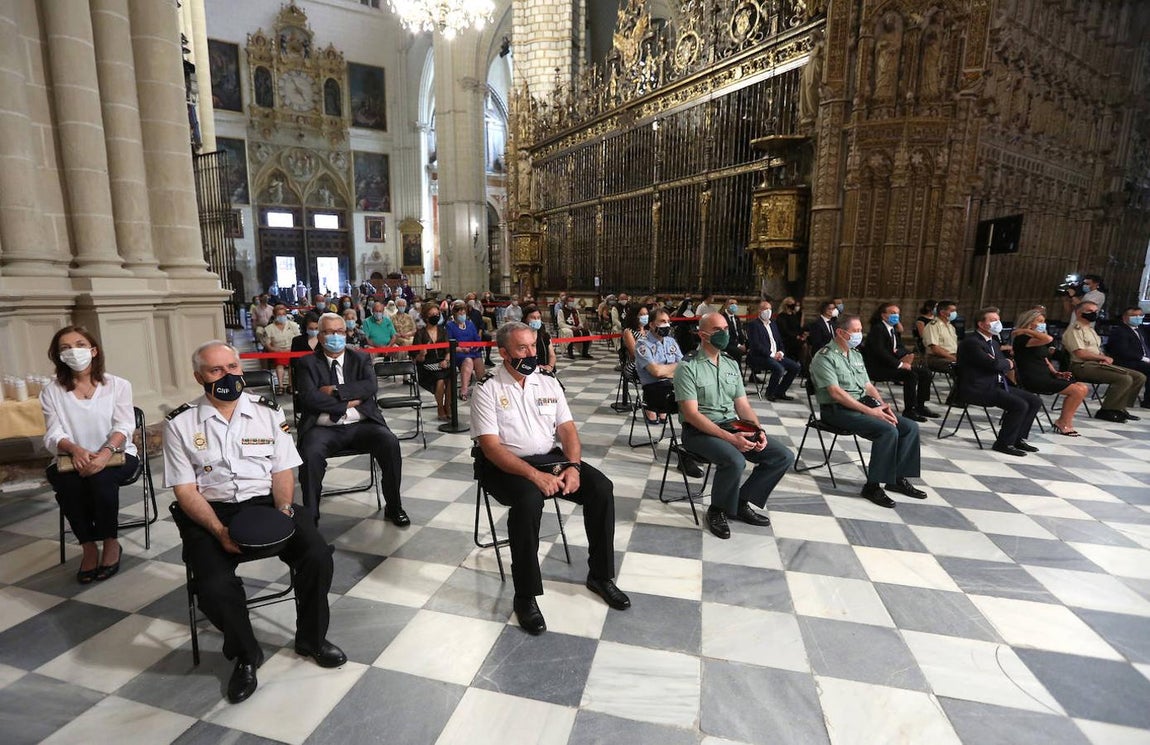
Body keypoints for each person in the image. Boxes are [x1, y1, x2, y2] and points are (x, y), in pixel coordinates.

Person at [164, 341, 345, 704]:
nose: (228, 376)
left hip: (267, 503)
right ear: (200, 376)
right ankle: (246, 654)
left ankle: (311, 638)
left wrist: (282, 509)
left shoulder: (268, 412)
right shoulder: (181, 424)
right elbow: (185, 491)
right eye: (217, 370)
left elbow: (282, 471)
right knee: (213, 588)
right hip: (211, 511)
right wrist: (218, 530)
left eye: (233, 367)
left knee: (317, 555)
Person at [471, 322, 630, 634]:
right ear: (503, 353)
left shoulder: (547, 382)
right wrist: (534, 477)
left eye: (534, 346)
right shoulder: (487, 388)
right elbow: (490, 448)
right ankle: (525, 595)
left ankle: (600, 575)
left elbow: (567, 429)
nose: (532, 353)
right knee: (529, 500)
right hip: (502, 465)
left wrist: (574, 466)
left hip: (549, 459)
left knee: (601, 488)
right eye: (522, 348)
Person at [673, 313, 793, 539]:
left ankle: (740, 502)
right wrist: (731, 439)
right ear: (703, 334)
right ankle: (717, 509)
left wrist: (758, 431)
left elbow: (743, 406)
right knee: (734, 459)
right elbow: (691, 414)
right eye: (717, 329)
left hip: (732, 425)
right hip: (699, 431)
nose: (724, 333)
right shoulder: (687, 367)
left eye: (726, 328)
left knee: (782, 456)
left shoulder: (730, 363)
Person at [41, 326, 138, 584]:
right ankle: (88, 547)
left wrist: (106, 452)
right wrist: (75, 450)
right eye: (65, 347)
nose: (74, 351)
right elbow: (53, 432)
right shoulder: (51, 391)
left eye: (80, 344)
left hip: (117, 454)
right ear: (59, 356)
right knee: (68, 485)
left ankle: (110, 543)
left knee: (101, 481)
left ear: (93, 351)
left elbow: (125, 425)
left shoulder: (118, 385)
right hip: (70, 457)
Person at [295, 313, 409, 526]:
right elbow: (309, 398)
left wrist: (335, 391)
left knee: (390, 443)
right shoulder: (306, 363)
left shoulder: (360, 357)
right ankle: (311, 518)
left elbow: (369, 387)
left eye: (339, 331)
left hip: (362, 425)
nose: (335, 336)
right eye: (329, 332)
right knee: (309, 456)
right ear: (320, 336)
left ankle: (394, 506)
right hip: (323, 429)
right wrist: (349, 401)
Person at [808, 315, 928, 508]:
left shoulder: (855, 354)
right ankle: (872, 486)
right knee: (887, 430)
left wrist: (883, 405)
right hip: (837, 411)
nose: (859, 334)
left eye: (859, 330)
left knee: (909, 427)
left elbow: (867, 386)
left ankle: (896, 478)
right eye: (855, 331)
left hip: (864, 405)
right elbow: (836, 393)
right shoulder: (824, 356)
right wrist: (871, 412)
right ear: (840, 332)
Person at [955, 307, 1043, 456]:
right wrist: (1004, 363)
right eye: (993, 320)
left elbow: (1005, 364)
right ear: (981, 324)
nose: (998, 323)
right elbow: (995, 365)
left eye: (998, 319)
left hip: (995, 384)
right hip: (977, 388)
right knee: (1019, 405)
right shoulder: (972, 343)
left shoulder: (993, 343)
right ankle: (1004, 443)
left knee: (1034, 400)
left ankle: (1017, 438)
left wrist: (1004, 363)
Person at [636, 309, 703, 477]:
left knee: (702, 397)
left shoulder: (671, 341)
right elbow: (656, 372)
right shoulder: (643, 345)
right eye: (662, 321)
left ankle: (697, 446)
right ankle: (686, 456)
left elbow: (685, 365)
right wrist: (673, 369)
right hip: (655, 391)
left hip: (674, 384)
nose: (666, 325)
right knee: (689, 405)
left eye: (668, 321)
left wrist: (669, 370)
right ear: (651, 324)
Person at [1063, 301, 1146, 422]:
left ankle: (1120, 408)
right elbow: (1080, 353)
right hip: (1081, 366)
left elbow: (1096, 350)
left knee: (1139, 377)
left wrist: (1103, 357)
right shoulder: (1075, 329)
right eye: (1090, 311)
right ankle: (1107, 410)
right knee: (1124, 378)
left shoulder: (1090, 329)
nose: (1094, 314)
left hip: (1095, 364)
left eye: (1096, 312)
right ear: (1078, 312)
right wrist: (1102, 358)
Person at [1012, 308, 1088, 436]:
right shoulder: (1023, 338)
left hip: (1045, 374)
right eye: (1039, 321)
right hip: (1032, 377)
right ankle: (1063, 423)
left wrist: (1056, 372)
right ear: (1030, 322)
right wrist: (1025, 330)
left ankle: (1065, 420)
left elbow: (1045, 359)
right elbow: (1048, 339)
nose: (1043, 324)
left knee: (1083, 387)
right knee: (1076, 391)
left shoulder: (1037, 339)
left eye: (1044, 321)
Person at [863, 303, 936, 422]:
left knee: (925, 373)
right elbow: (880, 352)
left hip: (892, 364)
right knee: (910, 375)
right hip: (878, 368)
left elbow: (899, 347)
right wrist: (900, 364)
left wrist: (906, 355)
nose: (896, 316)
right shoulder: (878, 329)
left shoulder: (892, 329)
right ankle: (909, 410)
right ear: (883, 315)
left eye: (897, 313)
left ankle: (920, 406)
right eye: (892, 313)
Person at [746, 298, 801, 401]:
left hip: (776, 355)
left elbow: (779, 341)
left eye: (770, 309)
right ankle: (770, 393)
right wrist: (772, 354)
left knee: (795, 367)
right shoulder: (754, 325)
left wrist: (780, 352)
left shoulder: (773, 324)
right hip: (760, 356)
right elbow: (756, 345)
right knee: (779, 369)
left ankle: (780, 391)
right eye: (765, 309)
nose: (768, 311)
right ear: (760, 311)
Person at [412, 304, 451, 420]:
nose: (435, 316)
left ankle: (448, 406)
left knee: (451, 377)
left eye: (437, 314)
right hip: (426, 365)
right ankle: (440, 407)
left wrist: (446, 360)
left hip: (443, 362)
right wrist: (422, 354)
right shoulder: (420, 333)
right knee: (440, 380)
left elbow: (449, 350)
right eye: (432, 315)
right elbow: (416, 358)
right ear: (426, 317)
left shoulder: (442, 331)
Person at [1105, 306, 1150, 408]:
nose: (1138, 318)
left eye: (1140, 315)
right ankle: (1148, 401)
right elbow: (1123, 351)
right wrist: (1144, 359)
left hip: (1141, 360)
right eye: (1134, 316)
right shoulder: (1119, 331)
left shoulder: (1141, 329)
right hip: (1126, 361)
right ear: (1125, 317)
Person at [447, 300, 486, 400]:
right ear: (454, 314)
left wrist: (477, 346)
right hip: (459, 353)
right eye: (460, 313)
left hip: (472, 351)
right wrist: (461, 349)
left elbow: (477, 339)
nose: (462, 315)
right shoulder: (450, 326)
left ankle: (483, 389)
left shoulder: (469, 324)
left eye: (463, 313)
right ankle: (464, 390)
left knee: (478, 361)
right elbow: (449, 344)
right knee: (468, 361)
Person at [262, 305, 299, 393]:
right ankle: (281, 386)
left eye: (283, 314)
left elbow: (298, 339)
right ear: (275, 315)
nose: (281, 316)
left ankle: (291, 385)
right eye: (279, 314)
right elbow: (267, 344)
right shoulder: (269, 328)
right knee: (279, 363)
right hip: (277, 350)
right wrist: (274, 350)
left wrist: (292, 349)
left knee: (293, 363)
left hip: (291, 349)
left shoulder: (293, 325)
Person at [922, 300, 958, 373]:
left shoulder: (951, 326)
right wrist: (953, 358)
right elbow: (935, 349)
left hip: (952, 356)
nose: (954, 313)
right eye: (952, 311)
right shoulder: (933, 326)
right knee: (963, 366)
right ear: (942, 312)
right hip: (937, 358)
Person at [524, 305, 557, 373]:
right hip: (526, 371)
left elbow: (552, 355)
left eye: (538, 318)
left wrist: (550, 366)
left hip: (544, 370)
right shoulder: (520, 336)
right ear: (525, 319)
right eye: (533, 318)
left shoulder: (545, 336)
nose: (536, 320)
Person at [777, 296, 808, 361]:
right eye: (791, 304)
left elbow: (798, 327)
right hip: (787, 339)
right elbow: (784, 330)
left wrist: (803, 334)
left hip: (795, 337)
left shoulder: (793, 315)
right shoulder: (781, 316)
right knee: (803, 346)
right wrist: (796, 336)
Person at [719, 298, 748, 364]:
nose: (734, 305)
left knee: (752, 348)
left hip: (737, 342)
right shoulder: (722, 317)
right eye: (732, 303)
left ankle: (754, 372)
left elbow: (739, 332)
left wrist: (743, 343)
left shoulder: (736, 318)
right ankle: (738, 371)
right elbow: (726, 335)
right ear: (726, 305)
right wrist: (738, 345)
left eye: (736, 304)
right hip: (728, 343)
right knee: (737, 352)